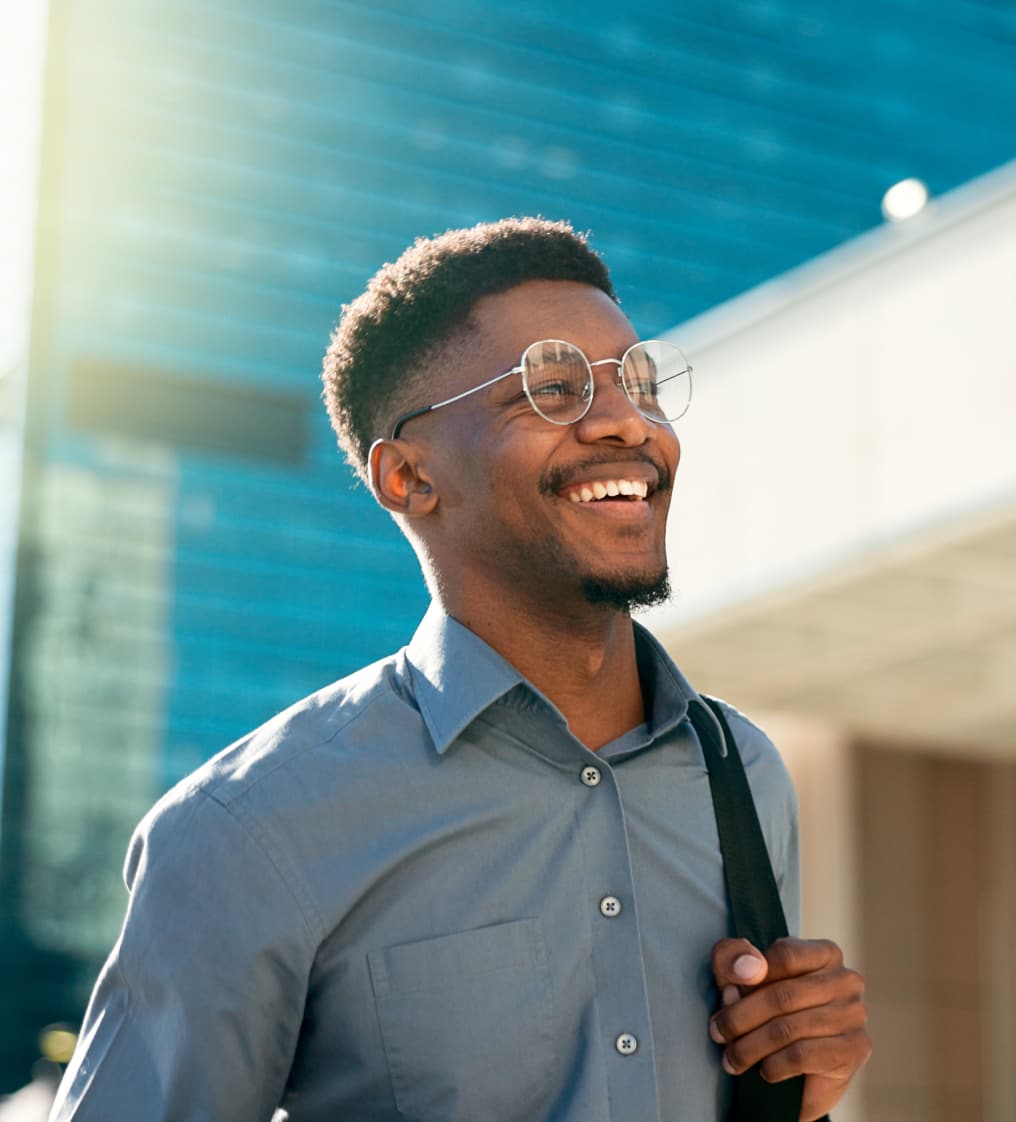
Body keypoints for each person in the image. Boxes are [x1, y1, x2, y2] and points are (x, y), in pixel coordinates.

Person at [50, 217, 870, 1122]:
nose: (625, 423)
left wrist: (802, 1092)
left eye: (637, 383)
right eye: (552, 388)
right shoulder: (243, 833)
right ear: (408, 478)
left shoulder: (742, 771)